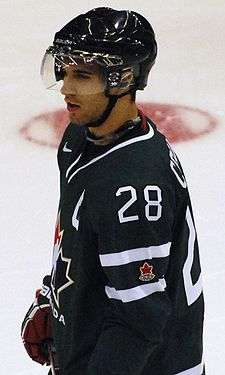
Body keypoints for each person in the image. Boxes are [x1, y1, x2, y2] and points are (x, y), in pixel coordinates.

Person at [21, 7, 205, 375]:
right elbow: (78, 238)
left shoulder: (135, 185)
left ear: (122, 81)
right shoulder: (81, 140)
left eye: (83, 75)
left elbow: (138, 321)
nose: (66, 89)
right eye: (65, 71)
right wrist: (54, 301)